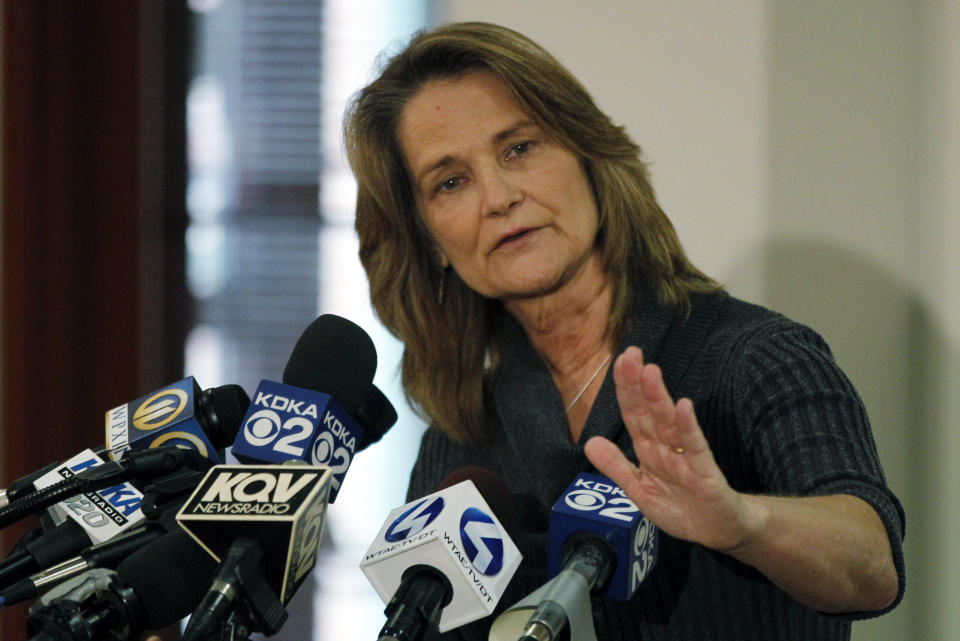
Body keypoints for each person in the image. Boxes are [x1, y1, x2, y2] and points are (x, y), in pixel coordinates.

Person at [344, 21, 905, 641]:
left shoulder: (756, 358)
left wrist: (744, 522)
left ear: (587, 157)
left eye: (519, 149)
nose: (498, 197)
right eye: (450, 182)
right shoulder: (460, 443)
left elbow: (872, 565)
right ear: (430, 241)